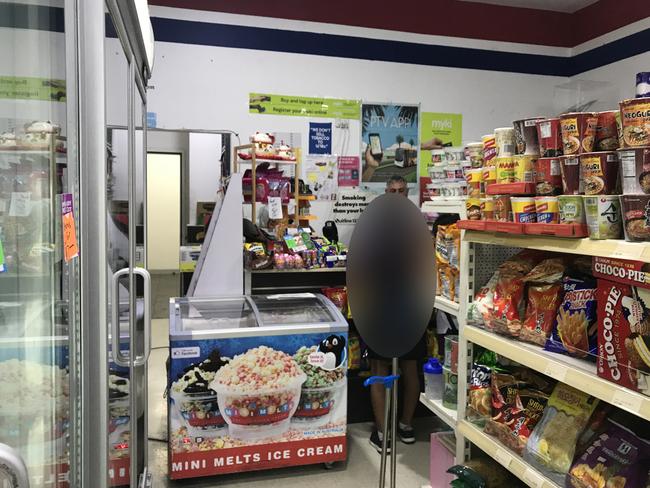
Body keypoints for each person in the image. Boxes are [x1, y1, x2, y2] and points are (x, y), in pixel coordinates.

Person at [367, 174, 426, 453]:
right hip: (381, 305)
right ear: (385, 192)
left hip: (410, 304)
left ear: (407, 192)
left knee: (410, 366)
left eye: (401, 190)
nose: (396, 194)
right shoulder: (375, 222)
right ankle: (382, 431)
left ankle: (405, 424)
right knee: (379, 366)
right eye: (392, 190)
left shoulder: (418, 223)